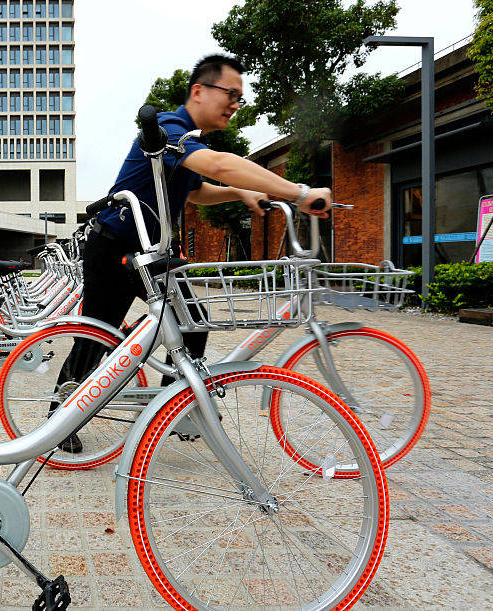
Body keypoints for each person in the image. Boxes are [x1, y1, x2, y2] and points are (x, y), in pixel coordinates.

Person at [57, 54, 332, 452]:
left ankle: (171, 408)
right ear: (199, 91)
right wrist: (299, 192)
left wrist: (239, 191)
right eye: (230, 94)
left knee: (193, 320)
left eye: (240, 97)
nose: (235, 104)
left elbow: (197, 191)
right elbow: (218, 165)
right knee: (98, 333)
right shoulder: (168, 129)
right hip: (115, 245)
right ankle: (60, 416)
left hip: (150, 253)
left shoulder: (188, 142)